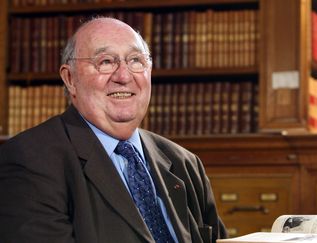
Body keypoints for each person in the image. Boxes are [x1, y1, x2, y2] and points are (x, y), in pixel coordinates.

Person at [0, 17, 226, 243]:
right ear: (70, 78)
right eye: (106, 61)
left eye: (136, 60)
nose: (124, 76)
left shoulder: (185, 164)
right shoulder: (30, 161)